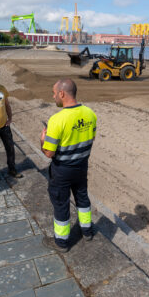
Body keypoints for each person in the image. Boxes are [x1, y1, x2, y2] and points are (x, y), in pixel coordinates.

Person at [40, 78, 97, 252]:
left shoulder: (57, 120)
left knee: (61, 203)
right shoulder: (90, 113)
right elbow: (91, 138)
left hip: (62, 170)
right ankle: (87, 231)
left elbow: (48, 153)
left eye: (54, 93)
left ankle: (62, 242)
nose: (53, 96)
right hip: (82, 166)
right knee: (82, 197)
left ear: (62, 93)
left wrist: (42, 139)